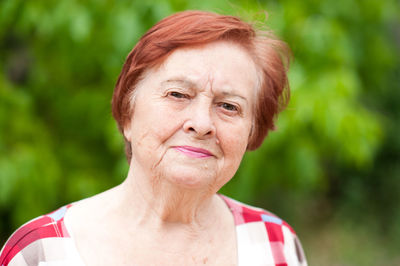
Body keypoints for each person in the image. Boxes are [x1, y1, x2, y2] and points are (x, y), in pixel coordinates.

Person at [0, 10, 307, 265]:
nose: (201, 124)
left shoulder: (275, 244)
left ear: (252, 132)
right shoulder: (42, 253)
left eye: (228, 106)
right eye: (177, 94)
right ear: (128, 114)